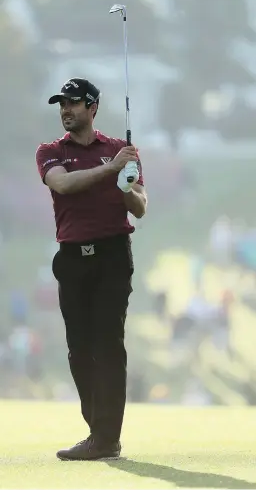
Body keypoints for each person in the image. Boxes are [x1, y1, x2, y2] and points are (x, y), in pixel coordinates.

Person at [36, 78, 147, 461]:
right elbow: (64, 185)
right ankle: (97, 430)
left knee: (108, 345)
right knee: (79, 350)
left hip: (113, 256)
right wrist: (110, 171)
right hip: (71, 260)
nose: (65, 110)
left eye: (73, 103)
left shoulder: (120, 150)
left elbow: (140, 206)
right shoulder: (51, 151)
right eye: (61, 105)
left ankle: (106, 438)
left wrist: (124, 184)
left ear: (92, 107)